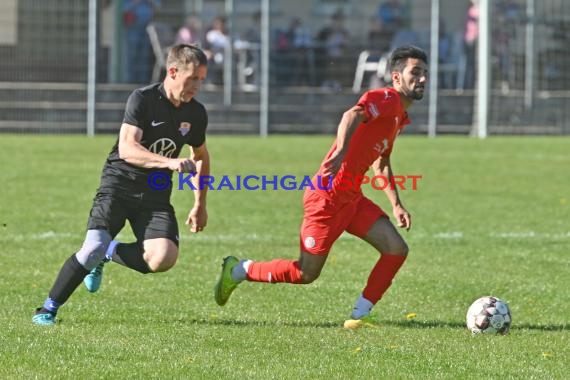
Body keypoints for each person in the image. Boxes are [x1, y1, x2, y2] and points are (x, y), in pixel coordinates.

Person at [214, 45, 428, 329]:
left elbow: (382, 162)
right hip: (326, 198)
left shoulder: (400, 116)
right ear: (397, 77)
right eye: (416, 72)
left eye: (425, 73)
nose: (423, 78)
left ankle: (360, 315)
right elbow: (352, 114)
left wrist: (396, 203)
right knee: (305, 273)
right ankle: (239, 270)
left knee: (396, 249)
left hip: (351, 199)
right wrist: (340, 151)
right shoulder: (387, 98)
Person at [32, 44, 211, 326]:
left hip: (155, 194)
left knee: (163, 258)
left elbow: (200, 156)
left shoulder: (196, 113)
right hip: (119, 185)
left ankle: (110, 251)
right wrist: (168, 163)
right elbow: (128, 149)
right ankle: (47, 309)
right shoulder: (142, 99)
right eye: (193, 79)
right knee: (91, 249)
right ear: (173, 71)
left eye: (202, 79)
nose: (198, 86)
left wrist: (200, 204)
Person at [123, 0, 161, 83]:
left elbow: (158, 5)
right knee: (131, 55)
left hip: (147, 27)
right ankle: (130, 81)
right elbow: (122, 8)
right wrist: (134, 2)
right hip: (132, 28)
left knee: (144, 56)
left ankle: (142, 81)